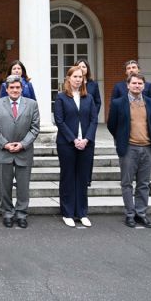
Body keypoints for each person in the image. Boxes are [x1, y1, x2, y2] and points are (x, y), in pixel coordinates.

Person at [0, 75, 40, 229]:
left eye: (18, 87)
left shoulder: (32, 104)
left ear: (22, 88)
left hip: (23, 151)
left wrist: (23, 144)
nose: (15, 90)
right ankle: (7, 213)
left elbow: (35, 128)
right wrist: (5, 144)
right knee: (4, 186)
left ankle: (21, 213)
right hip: (3, 151)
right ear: (6, 88)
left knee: (23, 186)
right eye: (12, 87)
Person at [107, 73, 151, 228]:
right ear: (127, 85)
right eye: (134, 83)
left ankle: (141, 214)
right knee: (127, 183)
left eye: (140, 83)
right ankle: (130, 214)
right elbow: (111, 125)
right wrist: (122, 139)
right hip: (128, 148)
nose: (137, 86)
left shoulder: (150, 102)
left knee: (144, 183)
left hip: (147, 148)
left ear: (144, 86)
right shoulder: (118, 103)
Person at [54, 66, 98, 228]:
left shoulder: (89, 98)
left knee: (83, 178)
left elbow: (94, 120)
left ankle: (82, 212)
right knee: (68, 177)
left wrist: (86, 139)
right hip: (67, 144)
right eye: (75, 77)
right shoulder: (61, 98)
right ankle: (67, 212)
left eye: (80, 77)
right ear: (68, 78)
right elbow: (60, 121)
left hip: (86, 144)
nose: (78, 79)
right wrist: (74, 140)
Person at [77, 58, 101, 187]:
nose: (82, 68)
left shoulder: (93, 85)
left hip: (89, 122)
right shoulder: (72, 83)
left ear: (87, 69)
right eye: (79, 66)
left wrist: (93, 116)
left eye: (84, 67)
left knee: (88, 149)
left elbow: (98, 102)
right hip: (75, 121)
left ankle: (87, 178)